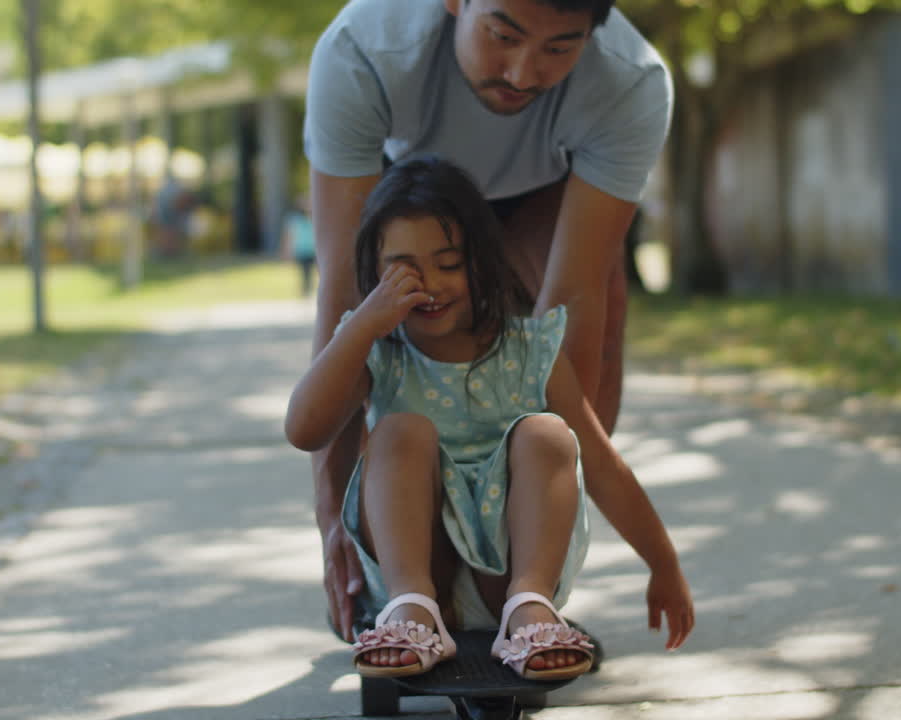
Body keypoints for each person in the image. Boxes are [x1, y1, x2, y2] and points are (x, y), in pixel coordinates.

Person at [304, 0, 674, 643]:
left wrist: (560, 521)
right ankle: (408, 584)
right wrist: (332, 523)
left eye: (560, 47)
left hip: (546, 190)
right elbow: (342, 296)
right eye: (503, 35)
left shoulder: (631, 84)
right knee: (371, 365)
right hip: (410, 187)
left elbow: (574, 300)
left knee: (592, 333)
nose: (524, 73)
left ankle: (528, 589)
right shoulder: (362, 53)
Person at [285, 156, 693, 679]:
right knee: (399, 430)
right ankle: (412, 610)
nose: (428, 284)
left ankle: (529, 610)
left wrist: (663, 562)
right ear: (374, 272)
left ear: (482, 260)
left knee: (547, 433)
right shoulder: (380, 351)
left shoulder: (531, 349)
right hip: (418, 572)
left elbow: (604, 467)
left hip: (509, 575)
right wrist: (360, 326)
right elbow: (303, 430)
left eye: (449, 262)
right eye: (403, 269)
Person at [285, 195, 317, 296]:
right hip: (302, 250)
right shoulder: (295, 220)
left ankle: (310, 290)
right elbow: (289, 236)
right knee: (304, 271)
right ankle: (305, 291)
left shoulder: (315, 219)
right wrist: (287, 251)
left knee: (313, 272)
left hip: (313, 250)